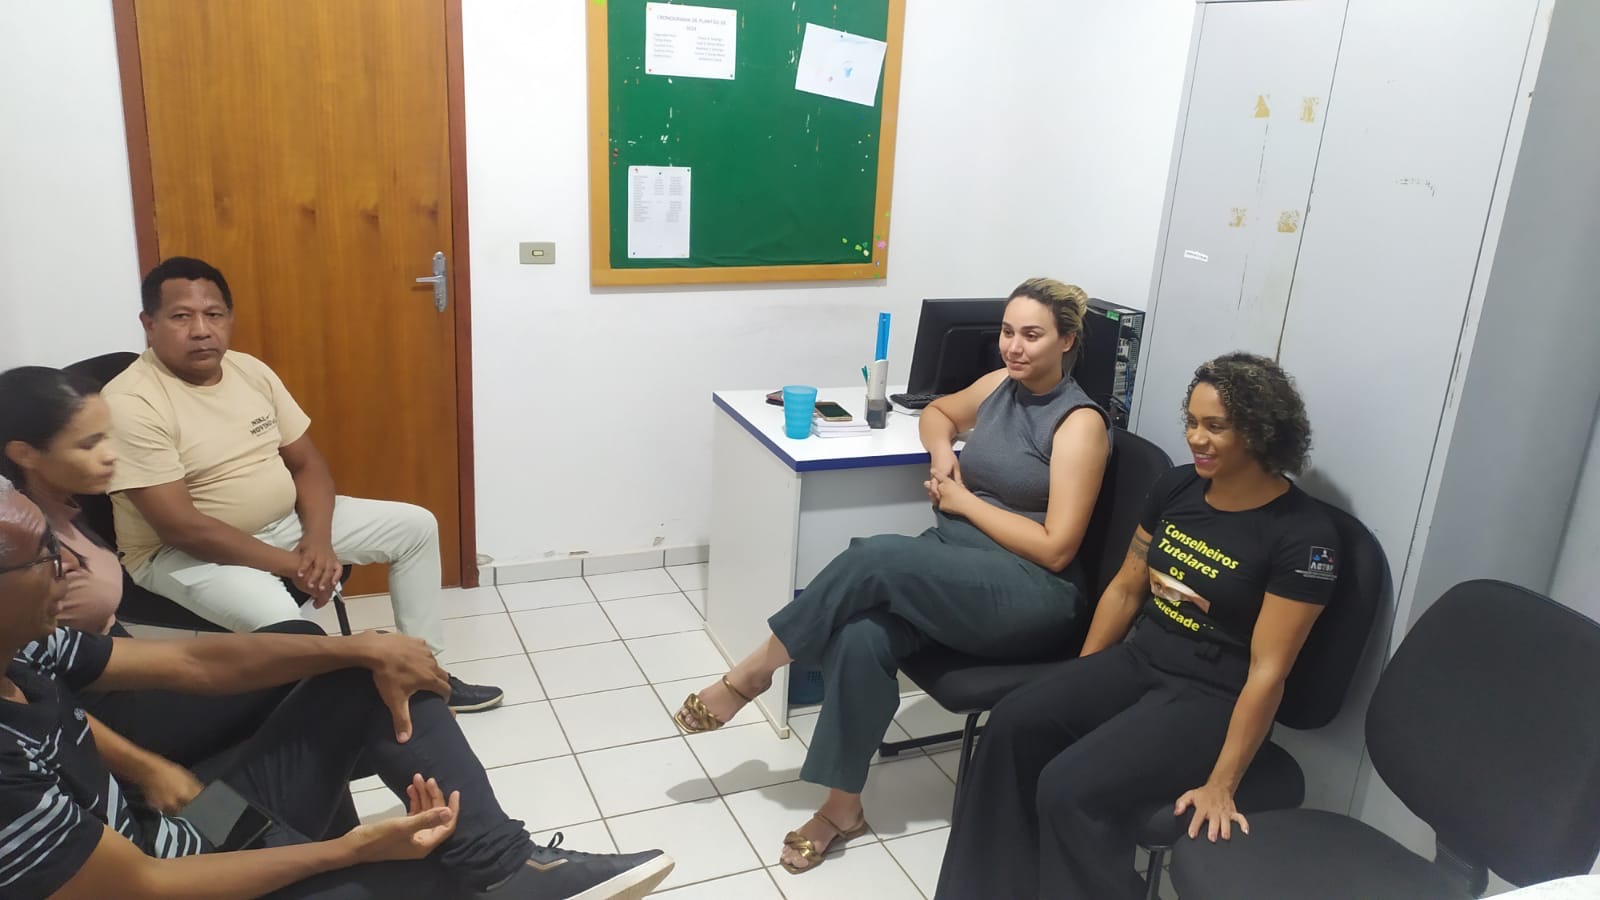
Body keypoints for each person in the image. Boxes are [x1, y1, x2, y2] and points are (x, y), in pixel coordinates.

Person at [0, 479, 674, 899]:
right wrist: (351, 850)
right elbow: (143, 886)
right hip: (178, 882)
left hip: (179, 829)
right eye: (45, 556)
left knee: (365, 674)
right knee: (440, 877)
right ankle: (489, 873)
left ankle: (507, 866)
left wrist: (358, 647)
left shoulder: (26, 647)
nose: (71, 566)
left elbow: (195, 663)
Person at [672, 278, 1112, 873]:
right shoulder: (999, 386)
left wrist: (963, 501)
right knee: (861, 636)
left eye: (1032, 335)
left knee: (876, 557)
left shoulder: (1079, 423)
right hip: (959, 564)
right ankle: (842, 809)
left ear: (1067, 341)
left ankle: (752, 674)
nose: (1014, 346)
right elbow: (938, 412)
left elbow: (1057, 549)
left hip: (1032, 591)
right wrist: (942, 452)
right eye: (1008, 332)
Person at [934, 352, 1342, 900]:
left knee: (1069, 789)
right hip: (1142, 657)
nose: (1196, 438)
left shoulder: (1304, 536)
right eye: (1191, 422)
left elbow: (1269, 670)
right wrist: (1077, 683)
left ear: (1262, 432)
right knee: (1011, 723)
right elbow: (1127, 588)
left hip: (1213, 694)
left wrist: (1223, 783)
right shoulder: (1176, 488)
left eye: (1216, 426)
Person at [101, 256, 501, 713]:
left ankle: (426, 676)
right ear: (149, 324)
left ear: (229, 318)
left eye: (213, 314)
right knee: (287, 625)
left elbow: (308, 465)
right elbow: (181, 528)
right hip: (182, 555)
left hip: (282, 525)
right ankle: (342, 714)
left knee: (415, 527)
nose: (201, 330)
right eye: (180, 317)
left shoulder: (249, 371)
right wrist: (295, 565)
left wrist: (319, 541)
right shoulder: (131, 402)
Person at [0, 365, 327, 776]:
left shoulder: (64, 506)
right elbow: (38, 691)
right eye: (88, 444)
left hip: (120, 669)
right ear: (25, 454)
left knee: (304, 645)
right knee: (310, 682)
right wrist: (146, 770)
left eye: (108, 437)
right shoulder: (26, 550)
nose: (111, 454)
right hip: (104, 715)